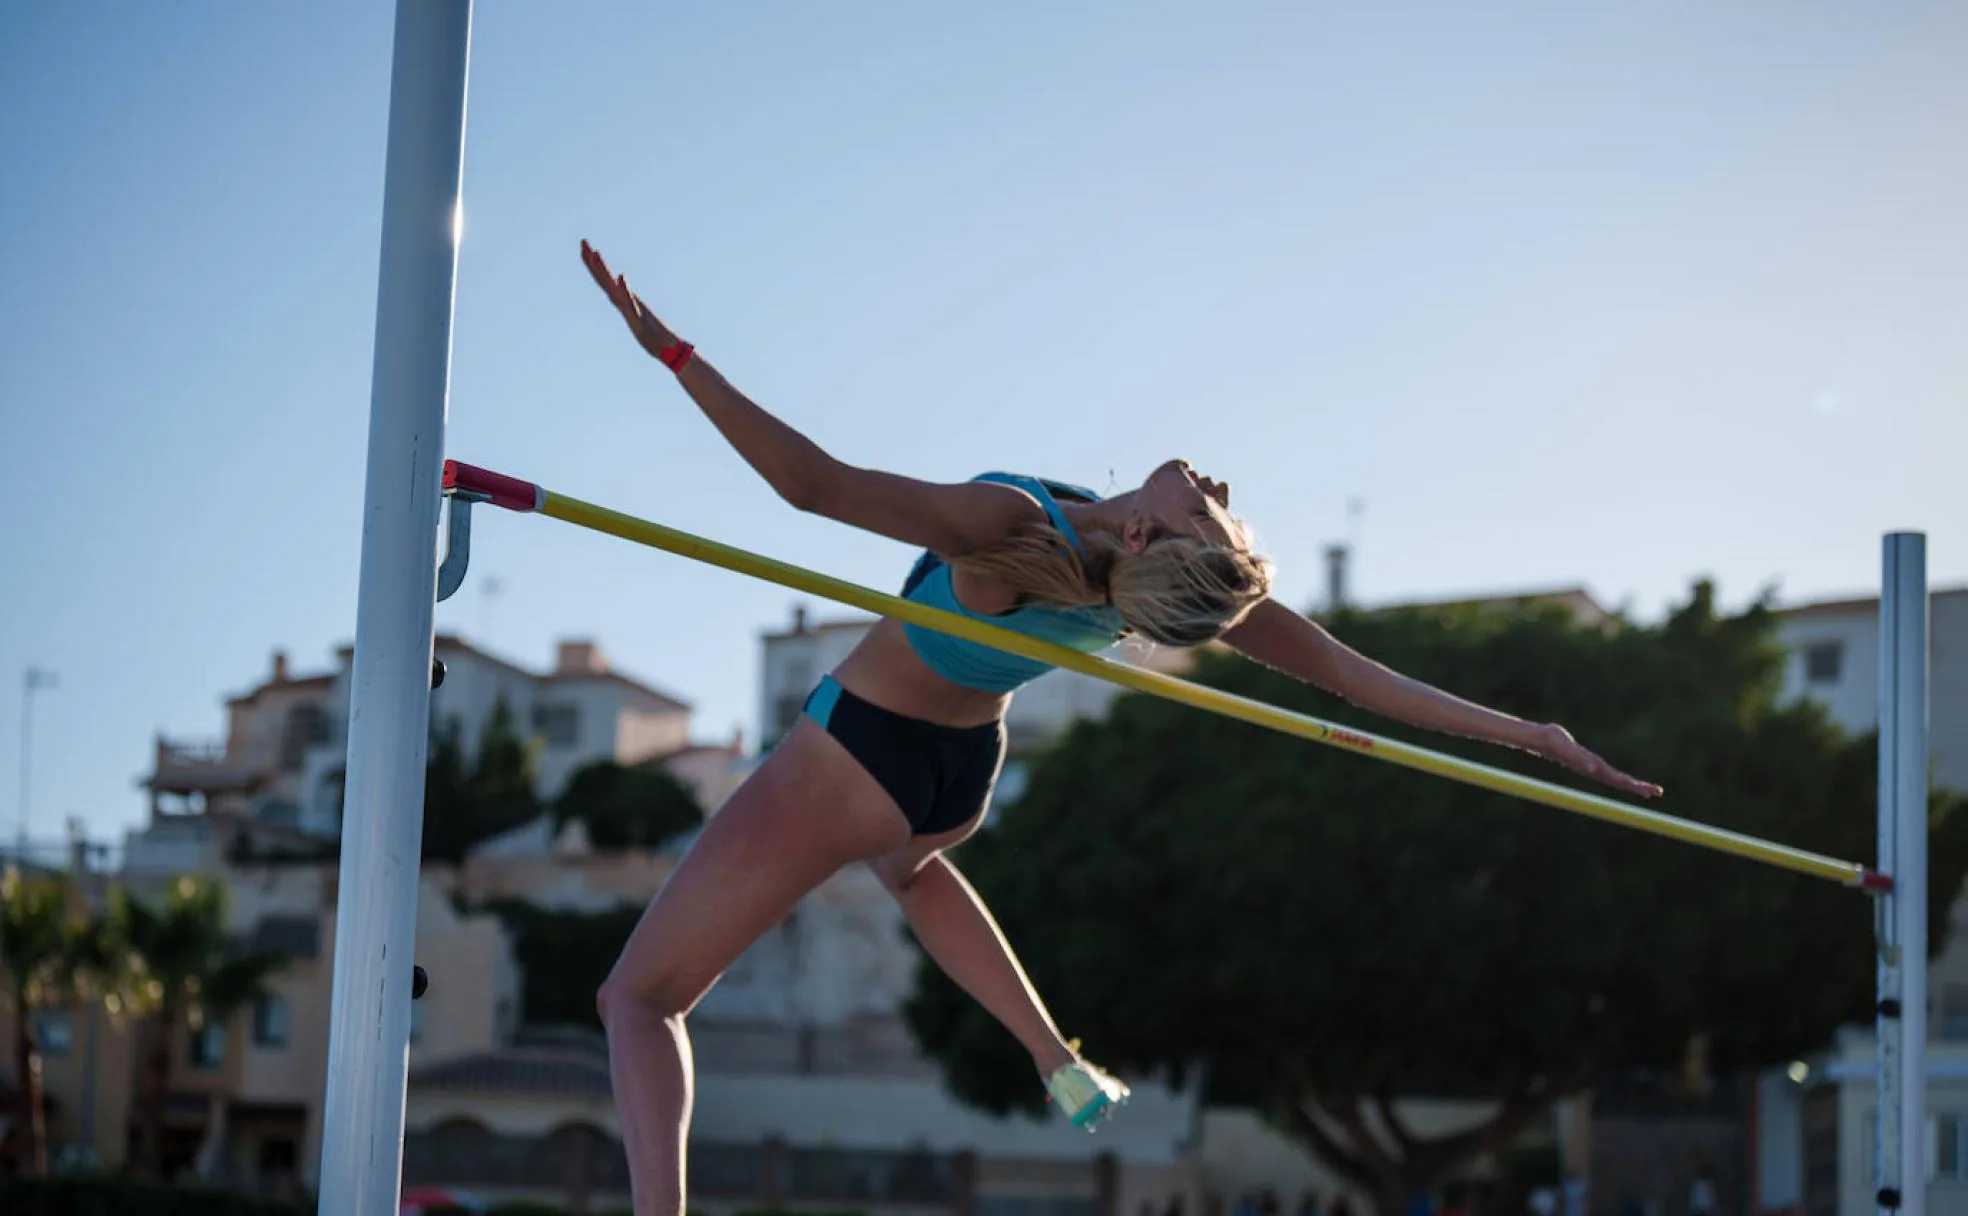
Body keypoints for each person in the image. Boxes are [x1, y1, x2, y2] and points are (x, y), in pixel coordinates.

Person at [577, 239, 1665, 1216]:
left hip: (858, 751)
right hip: (954, 775)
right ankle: (1054, 1053)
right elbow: (1352, 677)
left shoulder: (1011, 528)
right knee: (909, 875)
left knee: (639, 995)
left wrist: (671, 352)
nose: (1218, 483)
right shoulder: (1141, 584)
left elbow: (812, 486)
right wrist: (1530, 731)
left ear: (1157, 535)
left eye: (1216, 507)